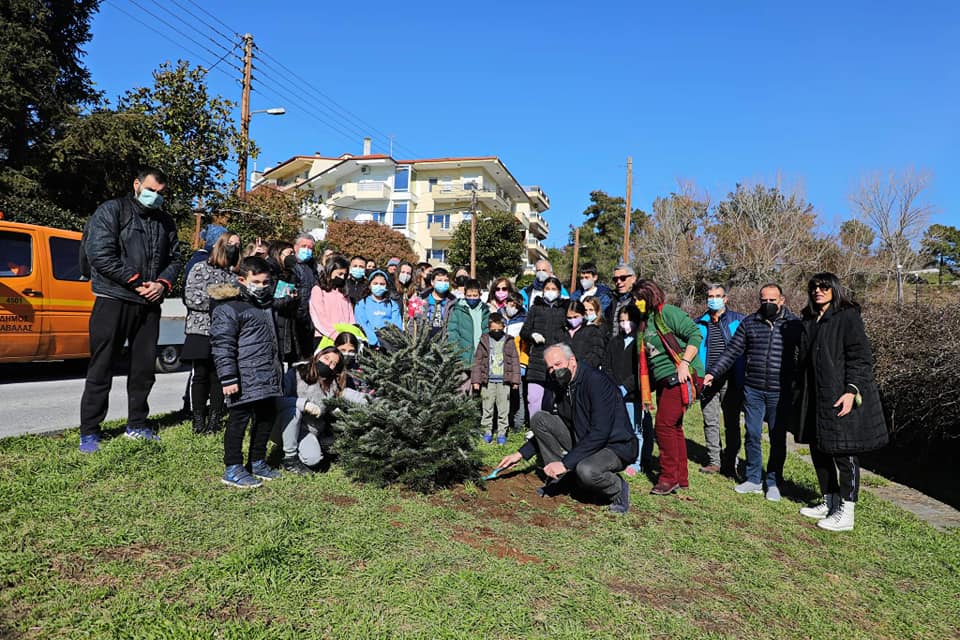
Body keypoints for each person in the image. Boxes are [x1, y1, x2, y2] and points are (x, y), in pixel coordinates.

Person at [78, 167, 181, 453]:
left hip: (149, 304)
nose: (155, 197)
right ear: (136, 185)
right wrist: (135, 281)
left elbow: (175, 259)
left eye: (161, 193)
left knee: (143, 370)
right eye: (151, 190)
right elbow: (99, 254)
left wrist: (162, 283)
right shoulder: (113, 211)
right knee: (102, 367)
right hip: (113, 298)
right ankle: (89, 432)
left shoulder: (165, 221)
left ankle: (137, 425)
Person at [789, 273, 888, 532]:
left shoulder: (847, 316)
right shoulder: (809, 319)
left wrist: (851, 390)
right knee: (818, 448)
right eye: (813, 287)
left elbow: (860, 358)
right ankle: (829, 500)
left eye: (824, 287)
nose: (818, 291)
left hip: (838, 394)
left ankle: (847, 510)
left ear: (834, 289)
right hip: (813, 395)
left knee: (843, 452)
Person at [495, 344, 637, 514]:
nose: (554, 371)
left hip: (613, 445)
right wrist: (520, 454)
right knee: (540, 419)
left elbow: (600, 433)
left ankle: (618, 488)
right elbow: (562, 423)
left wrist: (565, 463)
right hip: (584, 438)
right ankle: (561, 480)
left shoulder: (597, 383)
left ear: (572, 361)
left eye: (558, 364)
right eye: (550, 368)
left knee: (586, 470)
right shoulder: (562, 385)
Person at [703, 283, 802, 501]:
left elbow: (805, 354)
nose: (767, 304)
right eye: (763, 301)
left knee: (777, 437)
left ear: (782, 301)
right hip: (754, 389)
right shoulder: (750, 323)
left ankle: (774, 481)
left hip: (780, 390)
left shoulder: (793, 325)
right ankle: (753, 479)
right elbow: (732, 351)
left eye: (772, 301)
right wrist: (713, 373)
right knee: (753, 433)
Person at [210, 257, 284, 488]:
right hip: (242, 377)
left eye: (266, 282)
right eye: (257, 281)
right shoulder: (229, 307)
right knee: (238, 420)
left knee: (266, 417)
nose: (262, 286)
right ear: (242, 280)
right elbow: (223, 345)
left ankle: (257, 460)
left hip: (266, 375)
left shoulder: (264, 305)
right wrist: (228, 377)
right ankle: (232, 467)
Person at [633, 279, 704, 495]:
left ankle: (668, 477)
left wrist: (684, 364)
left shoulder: (667, 313)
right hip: (664, 380)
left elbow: (695, 334)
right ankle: (680, 477)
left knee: (663, 426)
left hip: (681, 375)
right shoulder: (646, 323)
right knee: (674, 427)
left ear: (648, 297)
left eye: (638, 299)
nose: (636, 303)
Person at [182, 232, 240, 434]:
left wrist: (222, 301)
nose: (234, 248)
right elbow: (191, 297)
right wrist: (218, 300)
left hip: (224, 333)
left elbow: (235, 303)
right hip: (200, 329)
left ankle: (214, 420)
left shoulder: (233, 276)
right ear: (220, 245)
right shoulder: (200, 268)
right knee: (200, 375)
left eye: (237, 245)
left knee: (218, 376)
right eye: (231, 244)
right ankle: (198, 419)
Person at [695, 284, 746, 476]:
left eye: (717, 296)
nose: (713, 299)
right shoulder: (699, 323)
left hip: (731, 379)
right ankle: (714, 460)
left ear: (726, 299)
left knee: (731, 422)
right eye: (710, 296)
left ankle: (731, 463)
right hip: (707, 379)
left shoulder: (739, 321)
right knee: (710, 420)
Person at [275, 347, 344, 475]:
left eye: (333, 363)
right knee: (293, 411)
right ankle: (290, 458)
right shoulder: (295, 373)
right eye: (326, 358)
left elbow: (331, 407)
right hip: (285, 423)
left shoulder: (332, 385)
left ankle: (307, 447)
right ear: (318, 356)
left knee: (314, 459)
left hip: (309, 430)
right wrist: (303, 404)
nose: (328, 364)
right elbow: (278, 401)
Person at [602, 302, 653, 476]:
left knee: (635, 429)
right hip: (614, 392)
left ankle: (636, 461)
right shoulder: (614, 341)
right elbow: (607, 364)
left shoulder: (641, 343)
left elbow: (640, 371)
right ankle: (618, 457)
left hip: (633, 395)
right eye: (622, 321)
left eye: (629, 320)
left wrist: (625, 387)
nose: (625, 324)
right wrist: (613, 384)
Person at [520, 276, 568, 419]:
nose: (550, 292)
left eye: (553, 289)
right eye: (547, 289)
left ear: (559, 292)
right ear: (542, 291)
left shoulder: (564, 309)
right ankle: (535, 427)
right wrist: (532, 335)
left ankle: (552, 427)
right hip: (537, 360)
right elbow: (524, 331)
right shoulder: (535, 308)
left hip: (557, 360)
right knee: (534, 398)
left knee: (554, 398)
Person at [471, 313, 521, 445]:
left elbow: (515, 361)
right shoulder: (484, 341)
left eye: (499, 330)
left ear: (503, 327)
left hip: (504, 381)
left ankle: (501, 433)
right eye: (493, 330)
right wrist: (476, 381)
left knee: (503, 409)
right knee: (487, 407)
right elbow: (477, 361)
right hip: (488, 381)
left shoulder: (509, 341)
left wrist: (515, 380)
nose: (497, 332)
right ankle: (487, 431)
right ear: (489, 327)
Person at [266, 240, 300, 366]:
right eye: (289, 253)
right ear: (278, 254)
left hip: (287, 325)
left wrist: (294, 298)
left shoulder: (291, 274)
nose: (292, 256)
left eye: (293, 253)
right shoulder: (269, 273)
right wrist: (287, 299)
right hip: (273, 323)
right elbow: (268, 301)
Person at [309, 256, 355, 346]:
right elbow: (318, 317)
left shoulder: (344, 293)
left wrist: (351, 333)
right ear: (330, 271)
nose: (342, 277)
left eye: (344, 275)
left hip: (344, 338)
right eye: (339, 274)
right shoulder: (318, 290)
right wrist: (334, 334)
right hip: (325, 337)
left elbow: (351, 316)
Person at [446, 278, 489, 368]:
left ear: (480, 294)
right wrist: (456, 352)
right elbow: (453, 332)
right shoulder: (458, 310)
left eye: (475, 295)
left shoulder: (485, 310)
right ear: (464, 294)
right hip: (462, 356)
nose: (472, 298)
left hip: (480, 356)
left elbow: (487, 330)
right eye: (469, 296)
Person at [354, 270, 402, 349]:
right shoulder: (362, 304)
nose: (378, 286)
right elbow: (362, 324)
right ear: (369, 285)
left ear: (386, 286)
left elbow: (397, 324)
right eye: (375, 283)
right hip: (370, 344)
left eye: (382, 284)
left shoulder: (392, 304)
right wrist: (374, 341)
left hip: (390, 344)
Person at [503, 293, 529, 432]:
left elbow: (525, 345)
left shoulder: (523, 321)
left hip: (516, 363)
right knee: (502, 394)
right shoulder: (498, 317)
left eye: (515, 306)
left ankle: (518, 425)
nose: (512, 307)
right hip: (500, 363)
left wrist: (523, 363)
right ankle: (501, 424)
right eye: (510, 304)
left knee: (518, 395)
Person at [291, 233, 319, 359]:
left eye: (310, 248)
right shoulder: (291, 266)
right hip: (295, 318)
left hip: (311, 319)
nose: (307, 250)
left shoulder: (314, 268)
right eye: (304, 246)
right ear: (295, 247)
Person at [564, 299, 606, 368]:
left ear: (583, 315)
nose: (572, 320)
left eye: (575, 317)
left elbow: (596, 352)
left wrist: (582, 367)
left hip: (583, 371)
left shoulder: (592, 331)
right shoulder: (562, 331)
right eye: (569, 318)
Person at [418, 267, 456, 338]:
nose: (443, 283)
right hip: (423, 343)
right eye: (439, 280)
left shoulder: (453, 302)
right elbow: (414, 322)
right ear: (432, 282)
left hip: (444, 343)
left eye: (446, 280)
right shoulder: (422, 299)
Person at [609, 263, 637, 337]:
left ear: (633, 279)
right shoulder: (610, 299)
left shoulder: (639, 299)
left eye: (623, 278)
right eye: (615, 279)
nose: (618, 282)